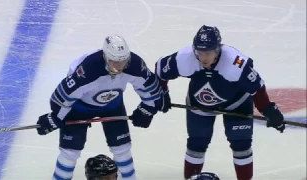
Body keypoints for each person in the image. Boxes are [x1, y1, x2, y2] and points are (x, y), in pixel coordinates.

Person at [155, 25, 285, 180]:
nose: (203, 57)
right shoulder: (185, 57)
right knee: (197, 143)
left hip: (237, 103)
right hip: (200, 105)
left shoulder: (235, 64)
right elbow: (160, 70)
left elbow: (257, 88)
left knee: (241, 144)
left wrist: (269, 110)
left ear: (217, 50)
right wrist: (162, 93)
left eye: (208, 52)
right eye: (200, 52)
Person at [36, 34, 168, 180]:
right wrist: (56, 117)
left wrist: (148, 108)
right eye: (115, 62)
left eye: (123, 61)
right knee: (70, 152)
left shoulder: (135, 65)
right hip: (78, 108)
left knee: (122, 148)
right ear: (105, 57)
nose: (119, 67)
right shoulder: (89, 70)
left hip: (112, 105)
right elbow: (63, 96)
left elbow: (150, 87)